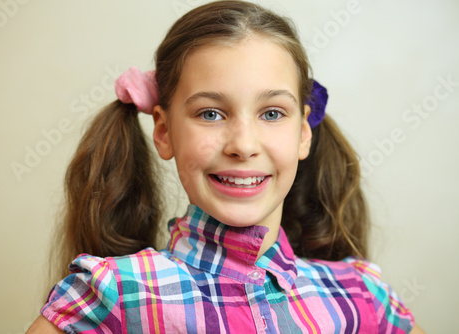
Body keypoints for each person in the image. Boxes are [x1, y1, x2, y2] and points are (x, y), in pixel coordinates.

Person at [27, 1, 425, 333]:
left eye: (272, 113)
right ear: (164, 132)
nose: (243, 145)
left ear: (303, 132)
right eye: (211, 113)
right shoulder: (110, 297)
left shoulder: (365, 299)